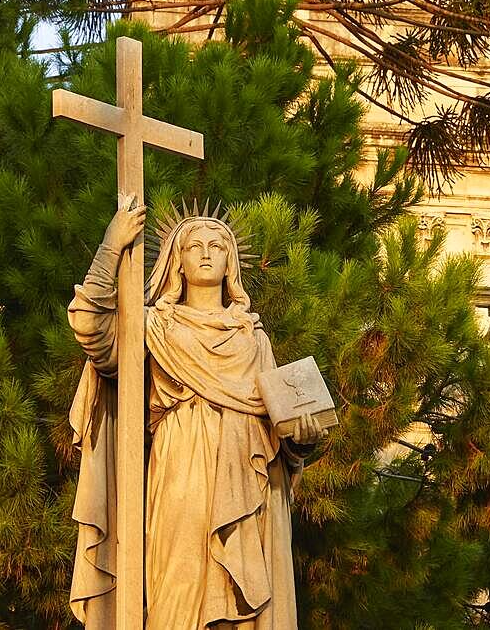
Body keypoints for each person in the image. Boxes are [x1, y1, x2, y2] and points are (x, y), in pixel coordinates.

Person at [66, 201, 324, 629]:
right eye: (194, 246)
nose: (206, 252)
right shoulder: (153, 327)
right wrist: (112, 245)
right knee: (175, 593)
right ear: (177, 263)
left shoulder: (253, 339)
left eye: (218, 245)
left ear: (230, 264)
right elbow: (91, 326)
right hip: (181, 468)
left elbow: (282, 432)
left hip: (249, 479)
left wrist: (303, 439)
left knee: (246, 607)